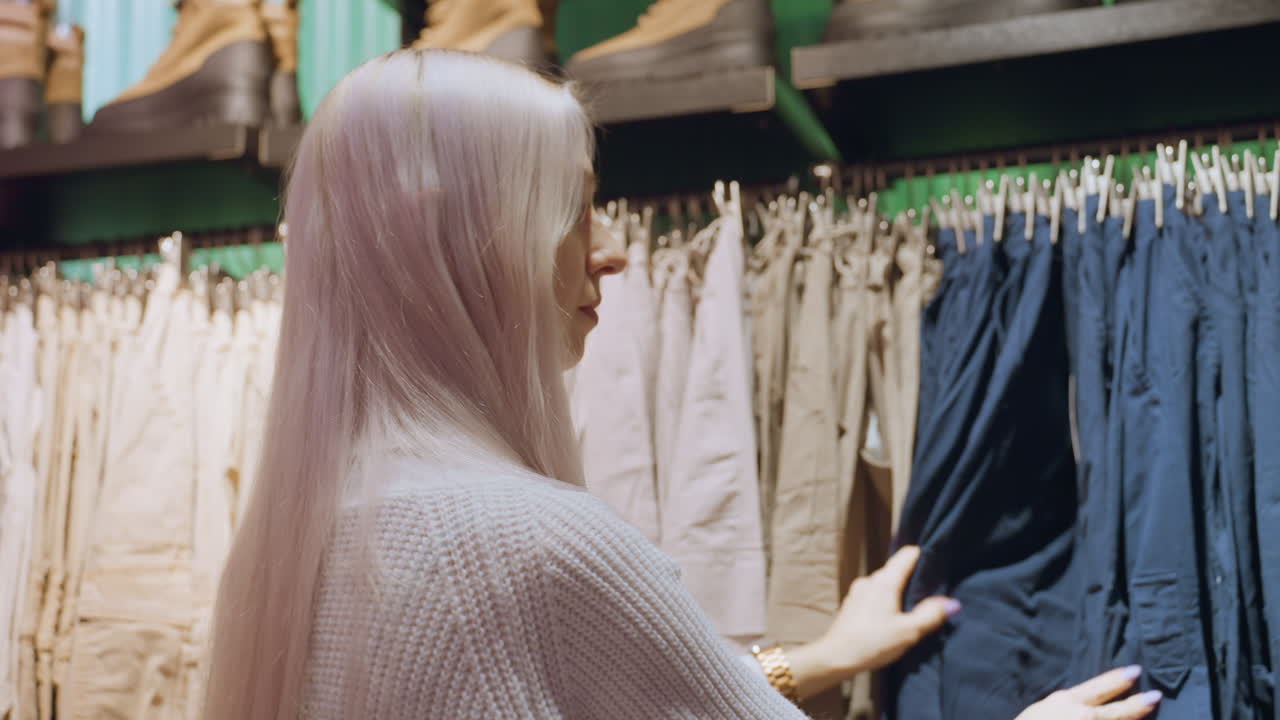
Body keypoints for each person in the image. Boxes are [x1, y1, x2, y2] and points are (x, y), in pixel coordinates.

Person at [202, 48, 1163, 720]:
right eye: (574, 213)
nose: (611, 255)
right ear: (475, 245)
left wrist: (818, 657)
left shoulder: (307, 527)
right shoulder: (521, 544)